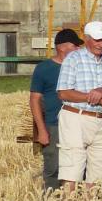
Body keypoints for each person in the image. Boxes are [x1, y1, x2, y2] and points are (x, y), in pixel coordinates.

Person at [55, 21, 102, 192]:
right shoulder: (74, 58)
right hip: (76, 117)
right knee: (72, 168)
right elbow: (63, 92)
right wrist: (90, 96)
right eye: (96, 40)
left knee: (100, 171)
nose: (100, 44)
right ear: (87, 39)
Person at [30, 28, 83, 191]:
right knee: (53, 168)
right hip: (54, 126)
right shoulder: (44, 69)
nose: (79, 49)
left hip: (79, 124)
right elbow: (34, 100)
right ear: (63, 47)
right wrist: (42, 130)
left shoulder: (81, 67)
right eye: (76, 46)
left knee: (78, 168)